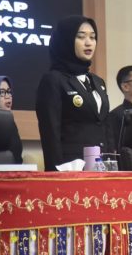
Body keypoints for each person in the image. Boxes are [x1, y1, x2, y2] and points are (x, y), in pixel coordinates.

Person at [36, 15, 111, 171]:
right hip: (71, 168)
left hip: (102, 166)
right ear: (66, 41)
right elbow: (50, 132)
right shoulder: (53, 80)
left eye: (93, 37)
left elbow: (103, 125)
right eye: (81, 37)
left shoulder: (98, 82)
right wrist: (56, 172)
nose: (89, 42)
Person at [0, 75, 23, 163]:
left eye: (9, 92)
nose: (8, 96)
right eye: (2, 92)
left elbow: (17, 158)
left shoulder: (10, 123)